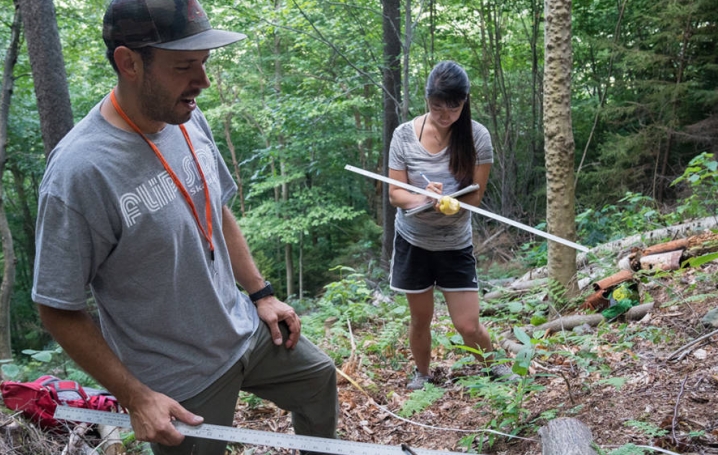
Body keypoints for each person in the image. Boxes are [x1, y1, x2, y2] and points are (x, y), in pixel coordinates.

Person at [31, 0, 338, 453]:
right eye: (184, 66)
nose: (203, 81)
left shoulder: (188, 117)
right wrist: (136, 397)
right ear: (129, 62)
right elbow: (57, 306)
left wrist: (261, 293)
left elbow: (216, 209)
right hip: (178, 378)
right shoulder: (80, 172)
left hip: (244, 330)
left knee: (318, 378)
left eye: (204, 63)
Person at [387, 61, 516, 390]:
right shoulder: (404, 136)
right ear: (427, 99)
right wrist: (422, 199)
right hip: (413, 242)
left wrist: (453, 205)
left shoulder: (477, 137)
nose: (445, 115)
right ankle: (423, 374)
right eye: (437, 106)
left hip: (455, 243)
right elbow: (395, 194)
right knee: (420, 319)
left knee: (468, 325)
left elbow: (475, 198)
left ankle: (496, 368)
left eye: (453, 107)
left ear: (465, 101)